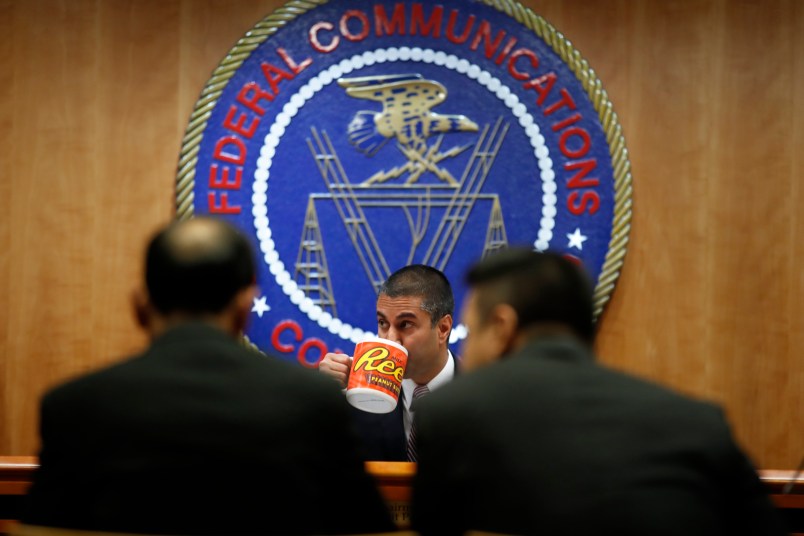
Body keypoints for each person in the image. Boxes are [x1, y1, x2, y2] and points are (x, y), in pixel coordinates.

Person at [22, 217, 395, 535]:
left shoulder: (74, 407)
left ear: (139, 307)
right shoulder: (311, 402)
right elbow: (367, 529)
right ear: (243, 309)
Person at [411, 248, 788, 535]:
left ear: (501, 326)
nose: (466, 348)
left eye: (471, 331)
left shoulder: (453, 414)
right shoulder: (698, 421)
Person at [318, 264, 456, 461]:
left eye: (405, 324)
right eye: (383, 323)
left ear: (443, 329)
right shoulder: (359, 398)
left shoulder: (482, 396)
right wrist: (324, 402)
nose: (390, 339)